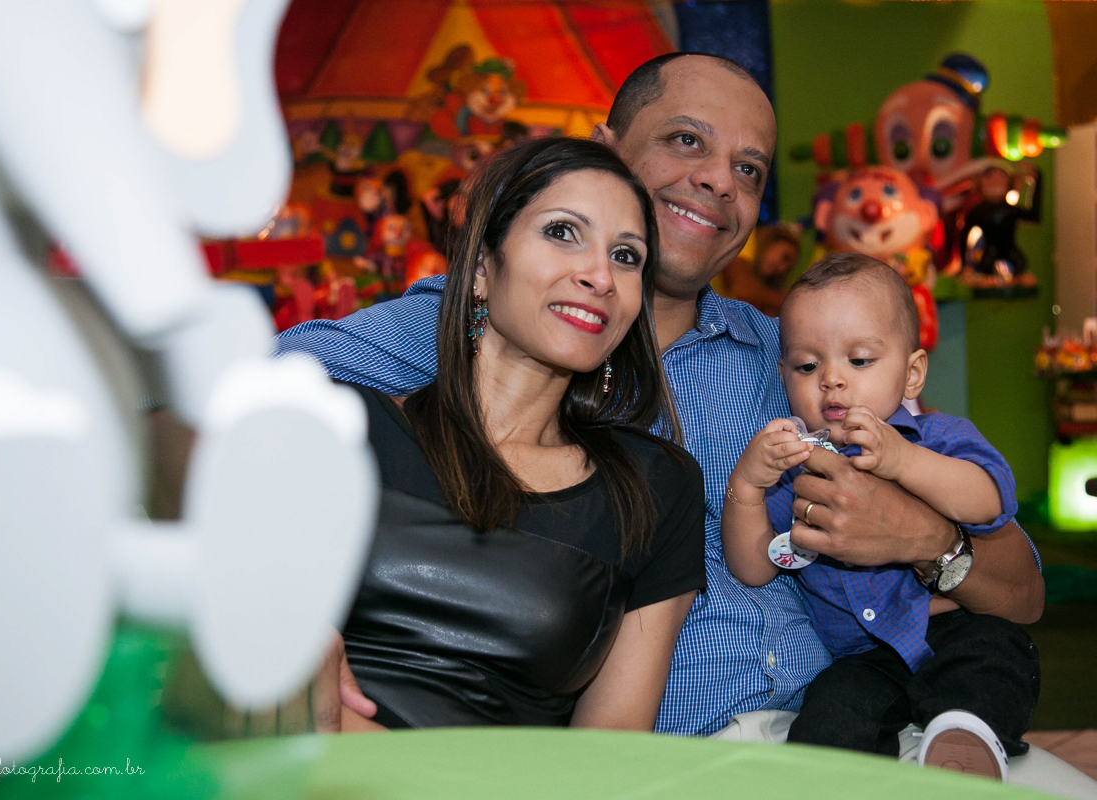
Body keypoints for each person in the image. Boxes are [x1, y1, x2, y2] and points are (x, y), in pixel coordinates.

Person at [281, 53, 1042, 741]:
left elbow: (1024, 594)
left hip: (839, 715)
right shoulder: (483, 318)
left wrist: (926, 540)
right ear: (606, 148)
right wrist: (272, 613)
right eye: (687, 140)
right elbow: (228, 405)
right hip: (668, 746)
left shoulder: (802, 358)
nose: (719, 179)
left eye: (749, 170)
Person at [335, 137, 705, 731]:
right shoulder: (342, 429)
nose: (600, 276)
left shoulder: (656, 487)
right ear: (482, 266)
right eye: (562, 232)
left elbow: (608, 754)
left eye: (627, 256)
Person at [721, 253, 1038, 779]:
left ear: (912, 373)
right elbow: (754, 567)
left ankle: (963, 745)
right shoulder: (796, 467)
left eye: (860, 360)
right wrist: (747, 488)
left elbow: (990, 501)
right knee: (830, 716)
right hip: (861, 657)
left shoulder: (935, 438)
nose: (832, 381)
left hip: (953, 627)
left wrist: (903, 460)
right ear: (783, 378)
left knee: (995, 661)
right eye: (807, 366)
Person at [721, 224, 800, 316]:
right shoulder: (746, 234)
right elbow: (740, 287)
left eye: (788, 269)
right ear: (772, 240)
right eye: (785, 257)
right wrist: (786, 300)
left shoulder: (757, 288)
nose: (782, 269)